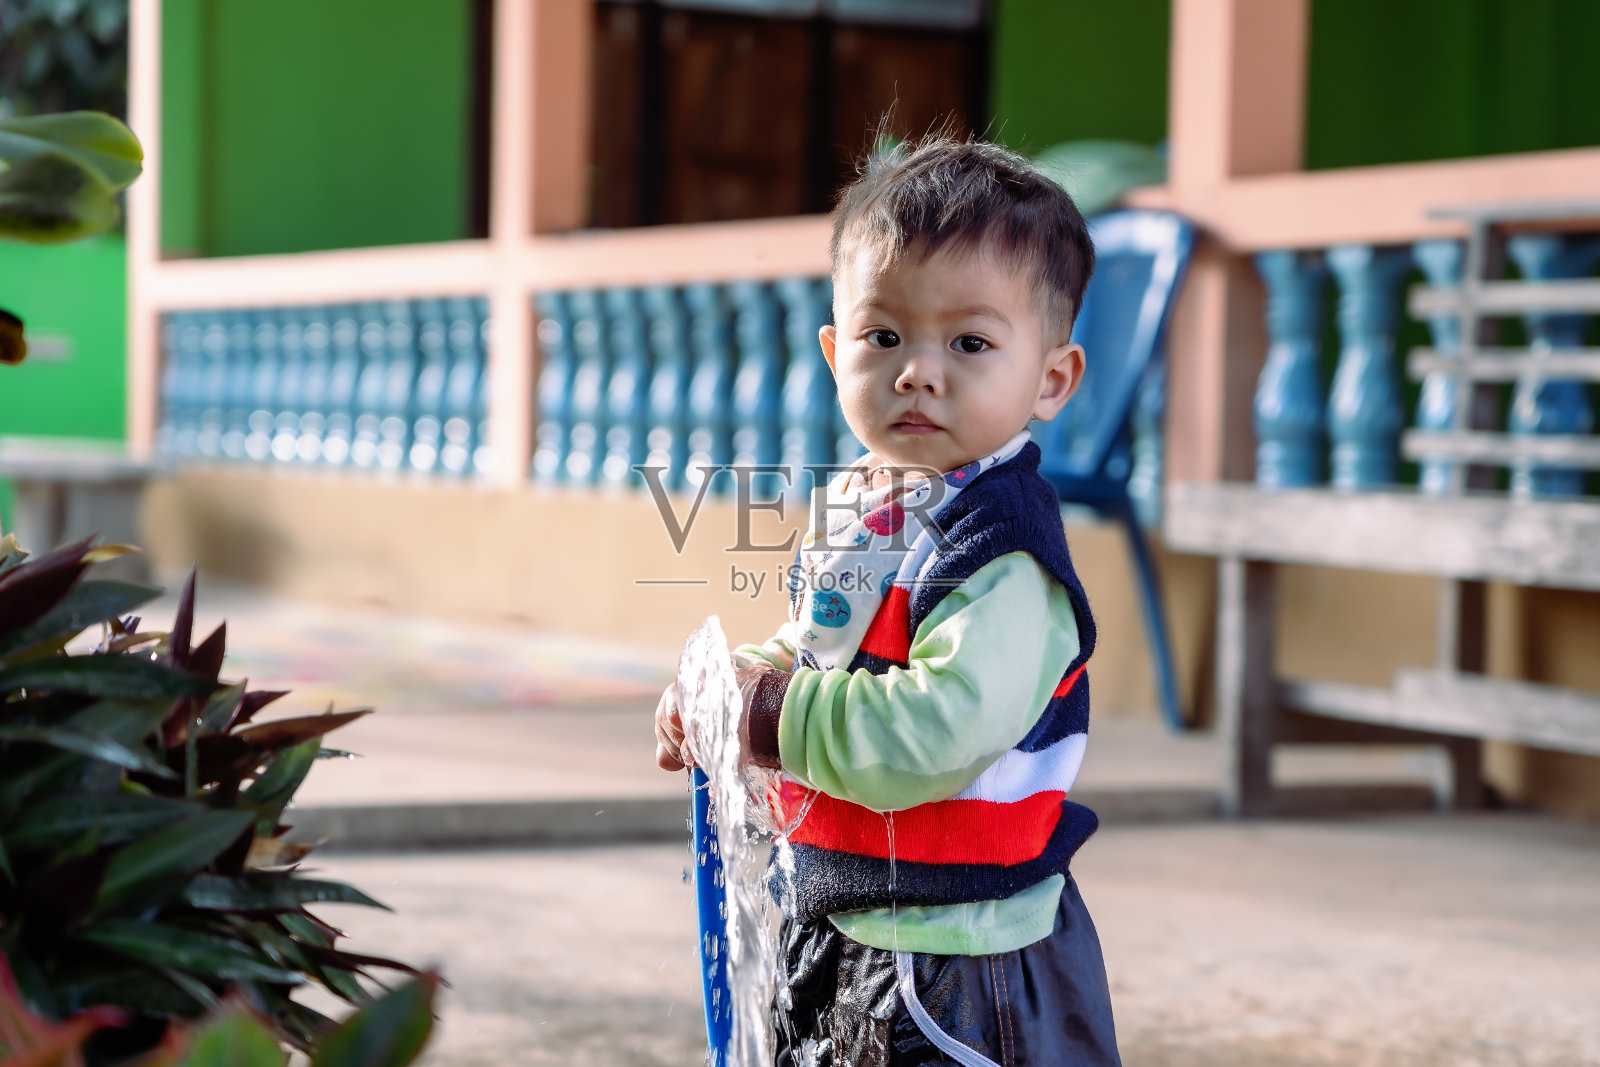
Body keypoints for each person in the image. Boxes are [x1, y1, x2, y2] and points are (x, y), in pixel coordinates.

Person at [655, 135, 1119, 1066]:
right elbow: (817, 647)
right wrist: (735, 687)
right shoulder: (866, 504)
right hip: (846, 909)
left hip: (962, 956)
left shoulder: (1002, 554)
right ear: (837, 353)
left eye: (972, 342)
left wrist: (771, 717)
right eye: (884, 336)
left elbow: (936, 732)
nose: (918, 370)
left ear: (1051, 379)